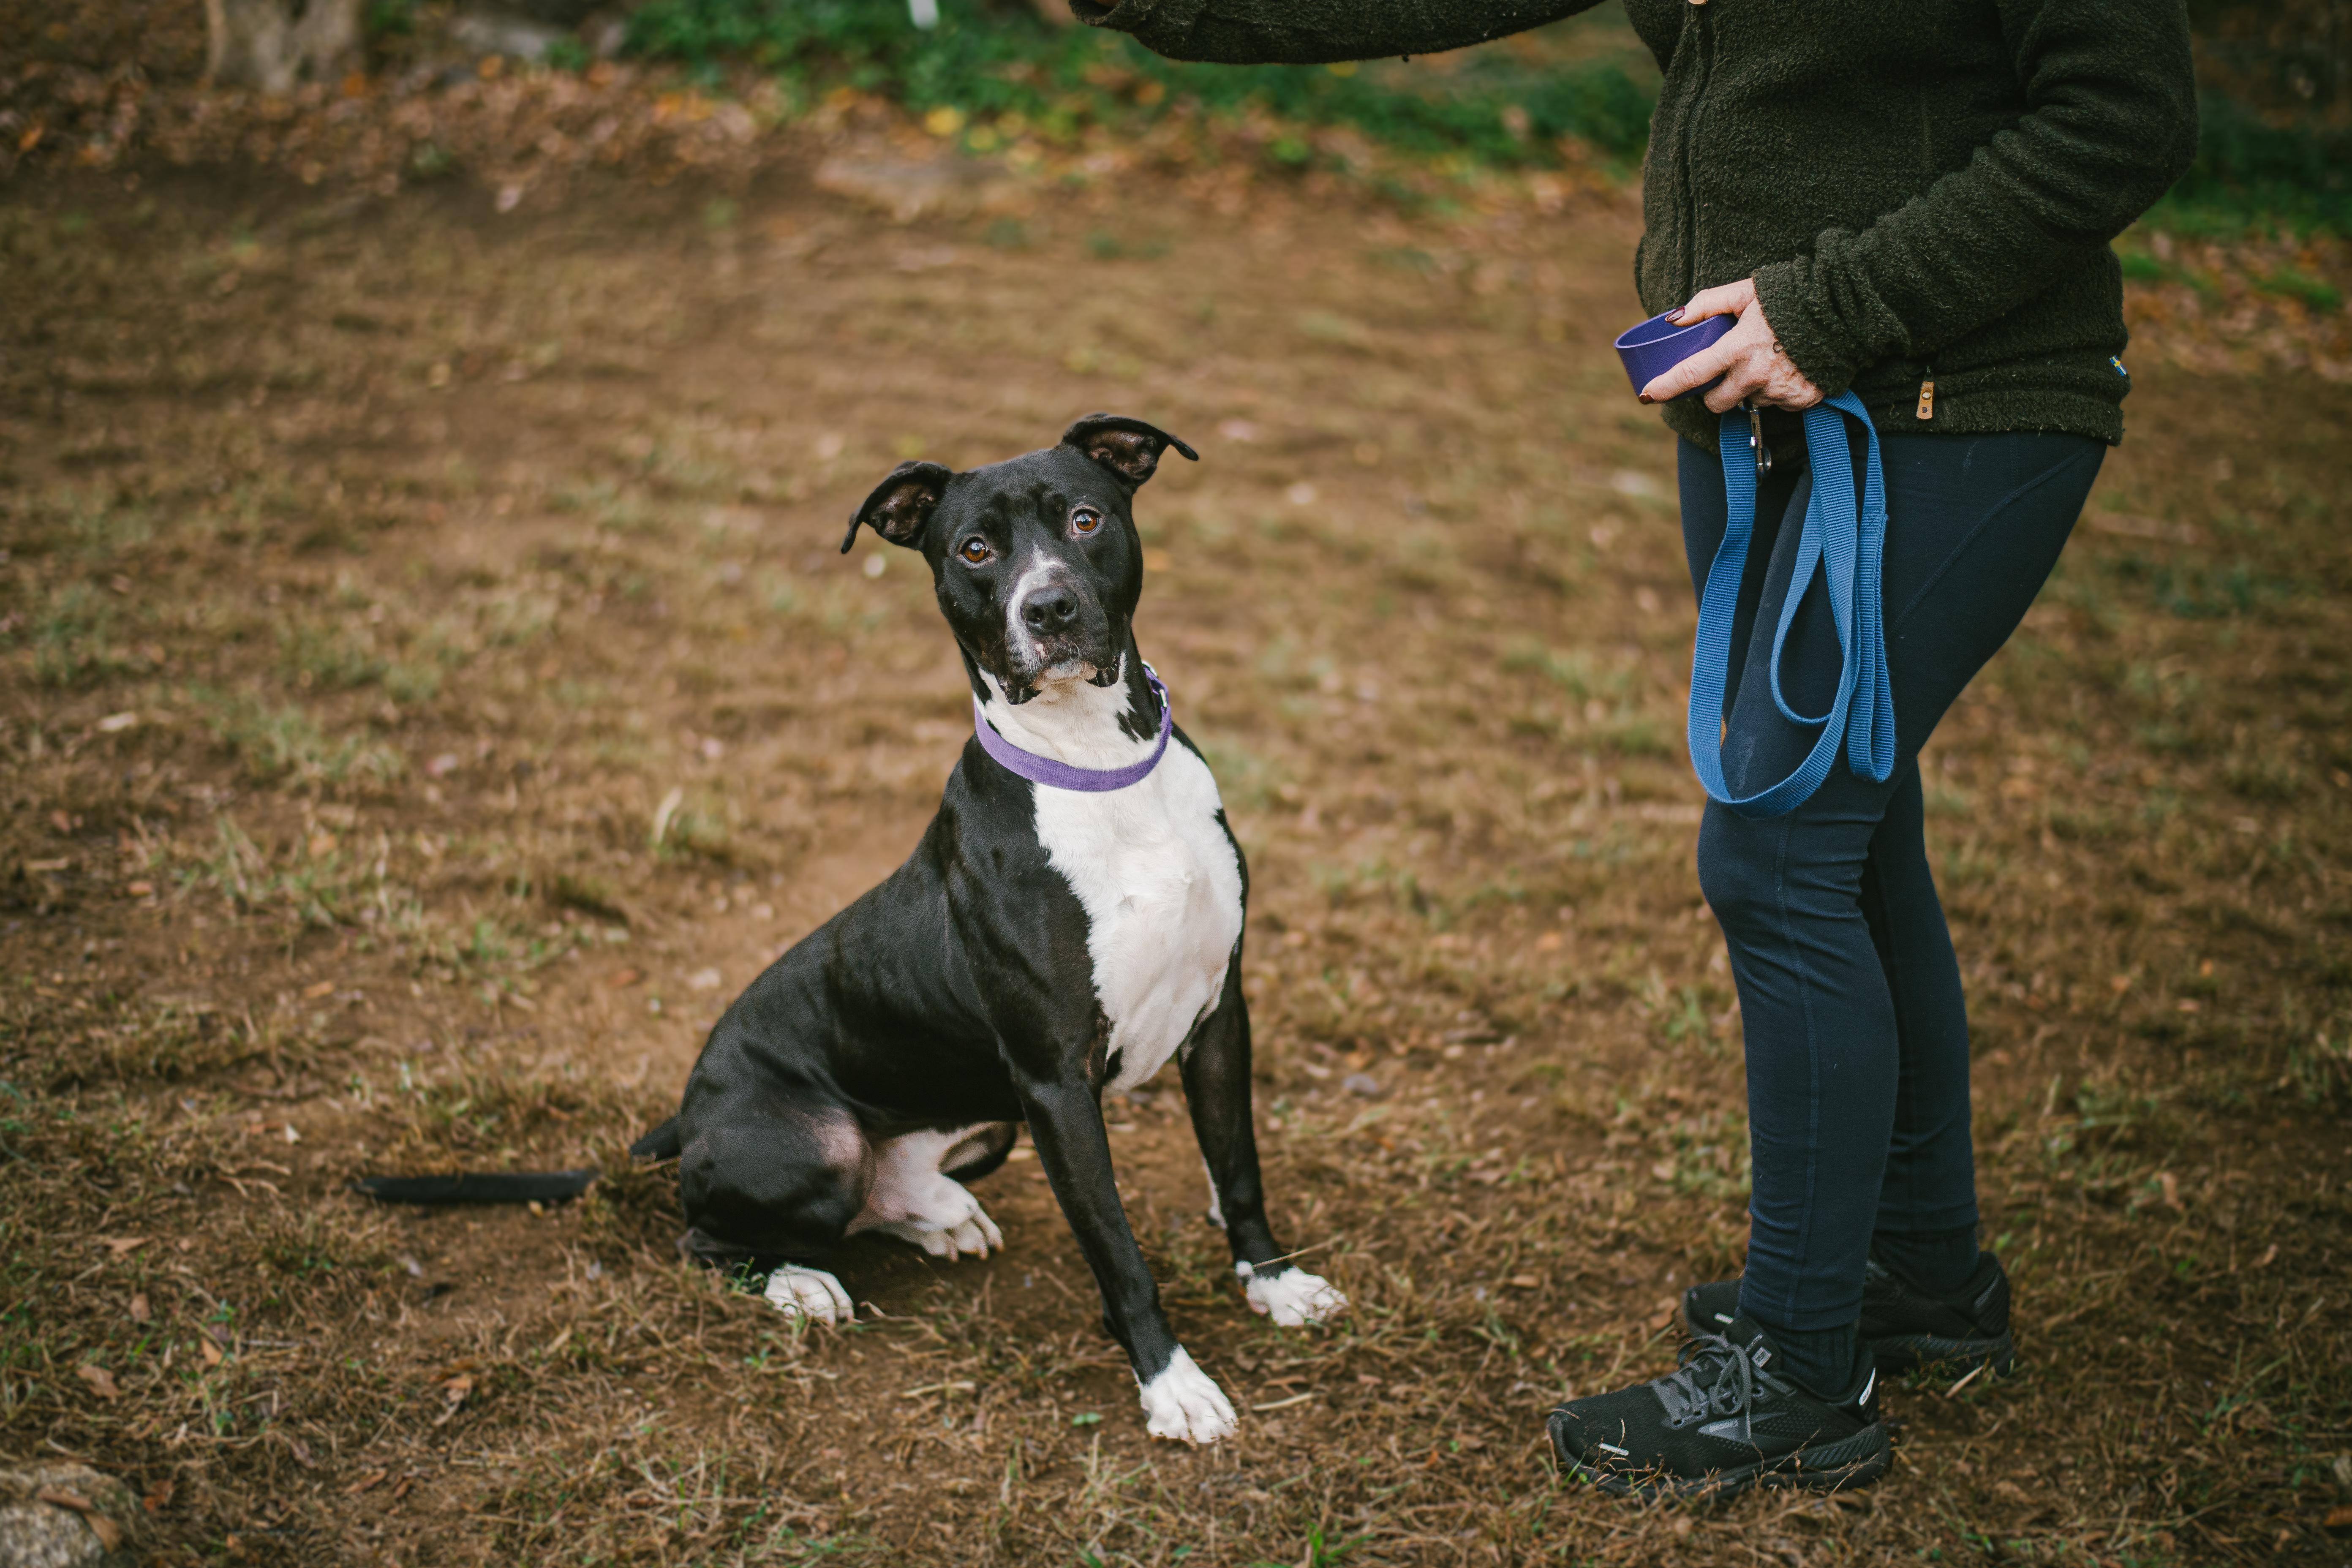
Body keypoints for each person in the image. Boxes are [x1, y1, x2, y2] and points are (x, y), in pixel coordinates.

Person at [1074, 0, 2198, 1498]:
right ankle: (1921, 1277)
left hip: (1947, 404)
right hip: (1759, 414)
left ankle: (1798, 1376)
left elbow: (2124, 112)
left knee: (1784, 844)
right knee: (1857, 828)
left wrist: (1831, 308)